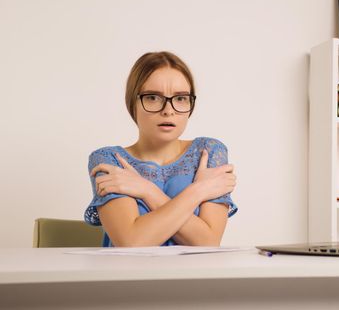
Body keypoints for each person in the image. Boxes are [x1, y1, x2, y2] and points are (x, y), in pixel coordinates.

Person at [84, 52, 238, 247]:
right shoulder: (108, 160)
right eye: (153, 97)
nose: (168, 110)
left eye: (181, 98)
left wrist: (146, 190)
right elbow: (132, 242)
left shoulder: (208, 152)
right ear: (133, 102)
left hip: (193, 276)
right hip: (130, 276)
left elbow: (208, 241)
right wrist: (200, 190)